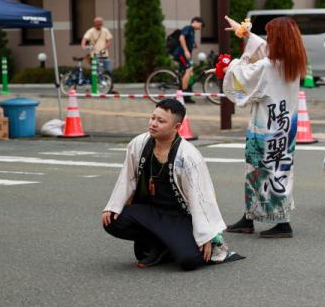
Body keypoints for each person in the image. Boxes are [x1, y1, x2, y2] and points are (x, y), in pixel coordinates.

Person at [101, 98, 242, 269]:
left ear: (176, 127)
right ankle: (160, 245)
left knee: (188, 261)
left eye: (161, 121)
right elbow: (127, 178)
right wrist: (113, 205)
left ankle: (168, 246)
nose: (153, 124)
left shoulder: (188, 156)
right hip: (151, 212)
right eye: (153, 118)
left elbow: (202, 198)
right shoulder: (139, 143)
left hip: (180, 217)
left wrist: (207, 235)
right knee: (112, 220)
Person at [222, 15, 307, 238]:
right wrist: (245, 33)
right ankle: (250, 218)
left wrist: (230, 65)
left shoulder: (268, 66)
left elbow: (242, 75)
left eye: (270, 36)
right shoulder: (292, 64)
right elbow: (264, 51)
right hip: (284, 130)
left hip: (264, 131)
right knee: (279, 172)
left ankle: (281, 223)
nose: (267, 39)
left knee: (257, 172)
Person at [172, 16, 204, 97]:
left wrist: (194, 45)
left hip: (184, 55)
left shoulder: (192, 31)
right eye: (201, 25)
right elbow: (181, 38)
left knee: (188, 70)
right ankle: (184, 90)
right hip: (181, 54)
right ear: (195, 22)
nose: (201, 28)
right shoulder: (188, 28)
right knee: (188, 68)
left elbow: (188, 41)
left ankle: (183, 92)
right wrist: (186, 50)